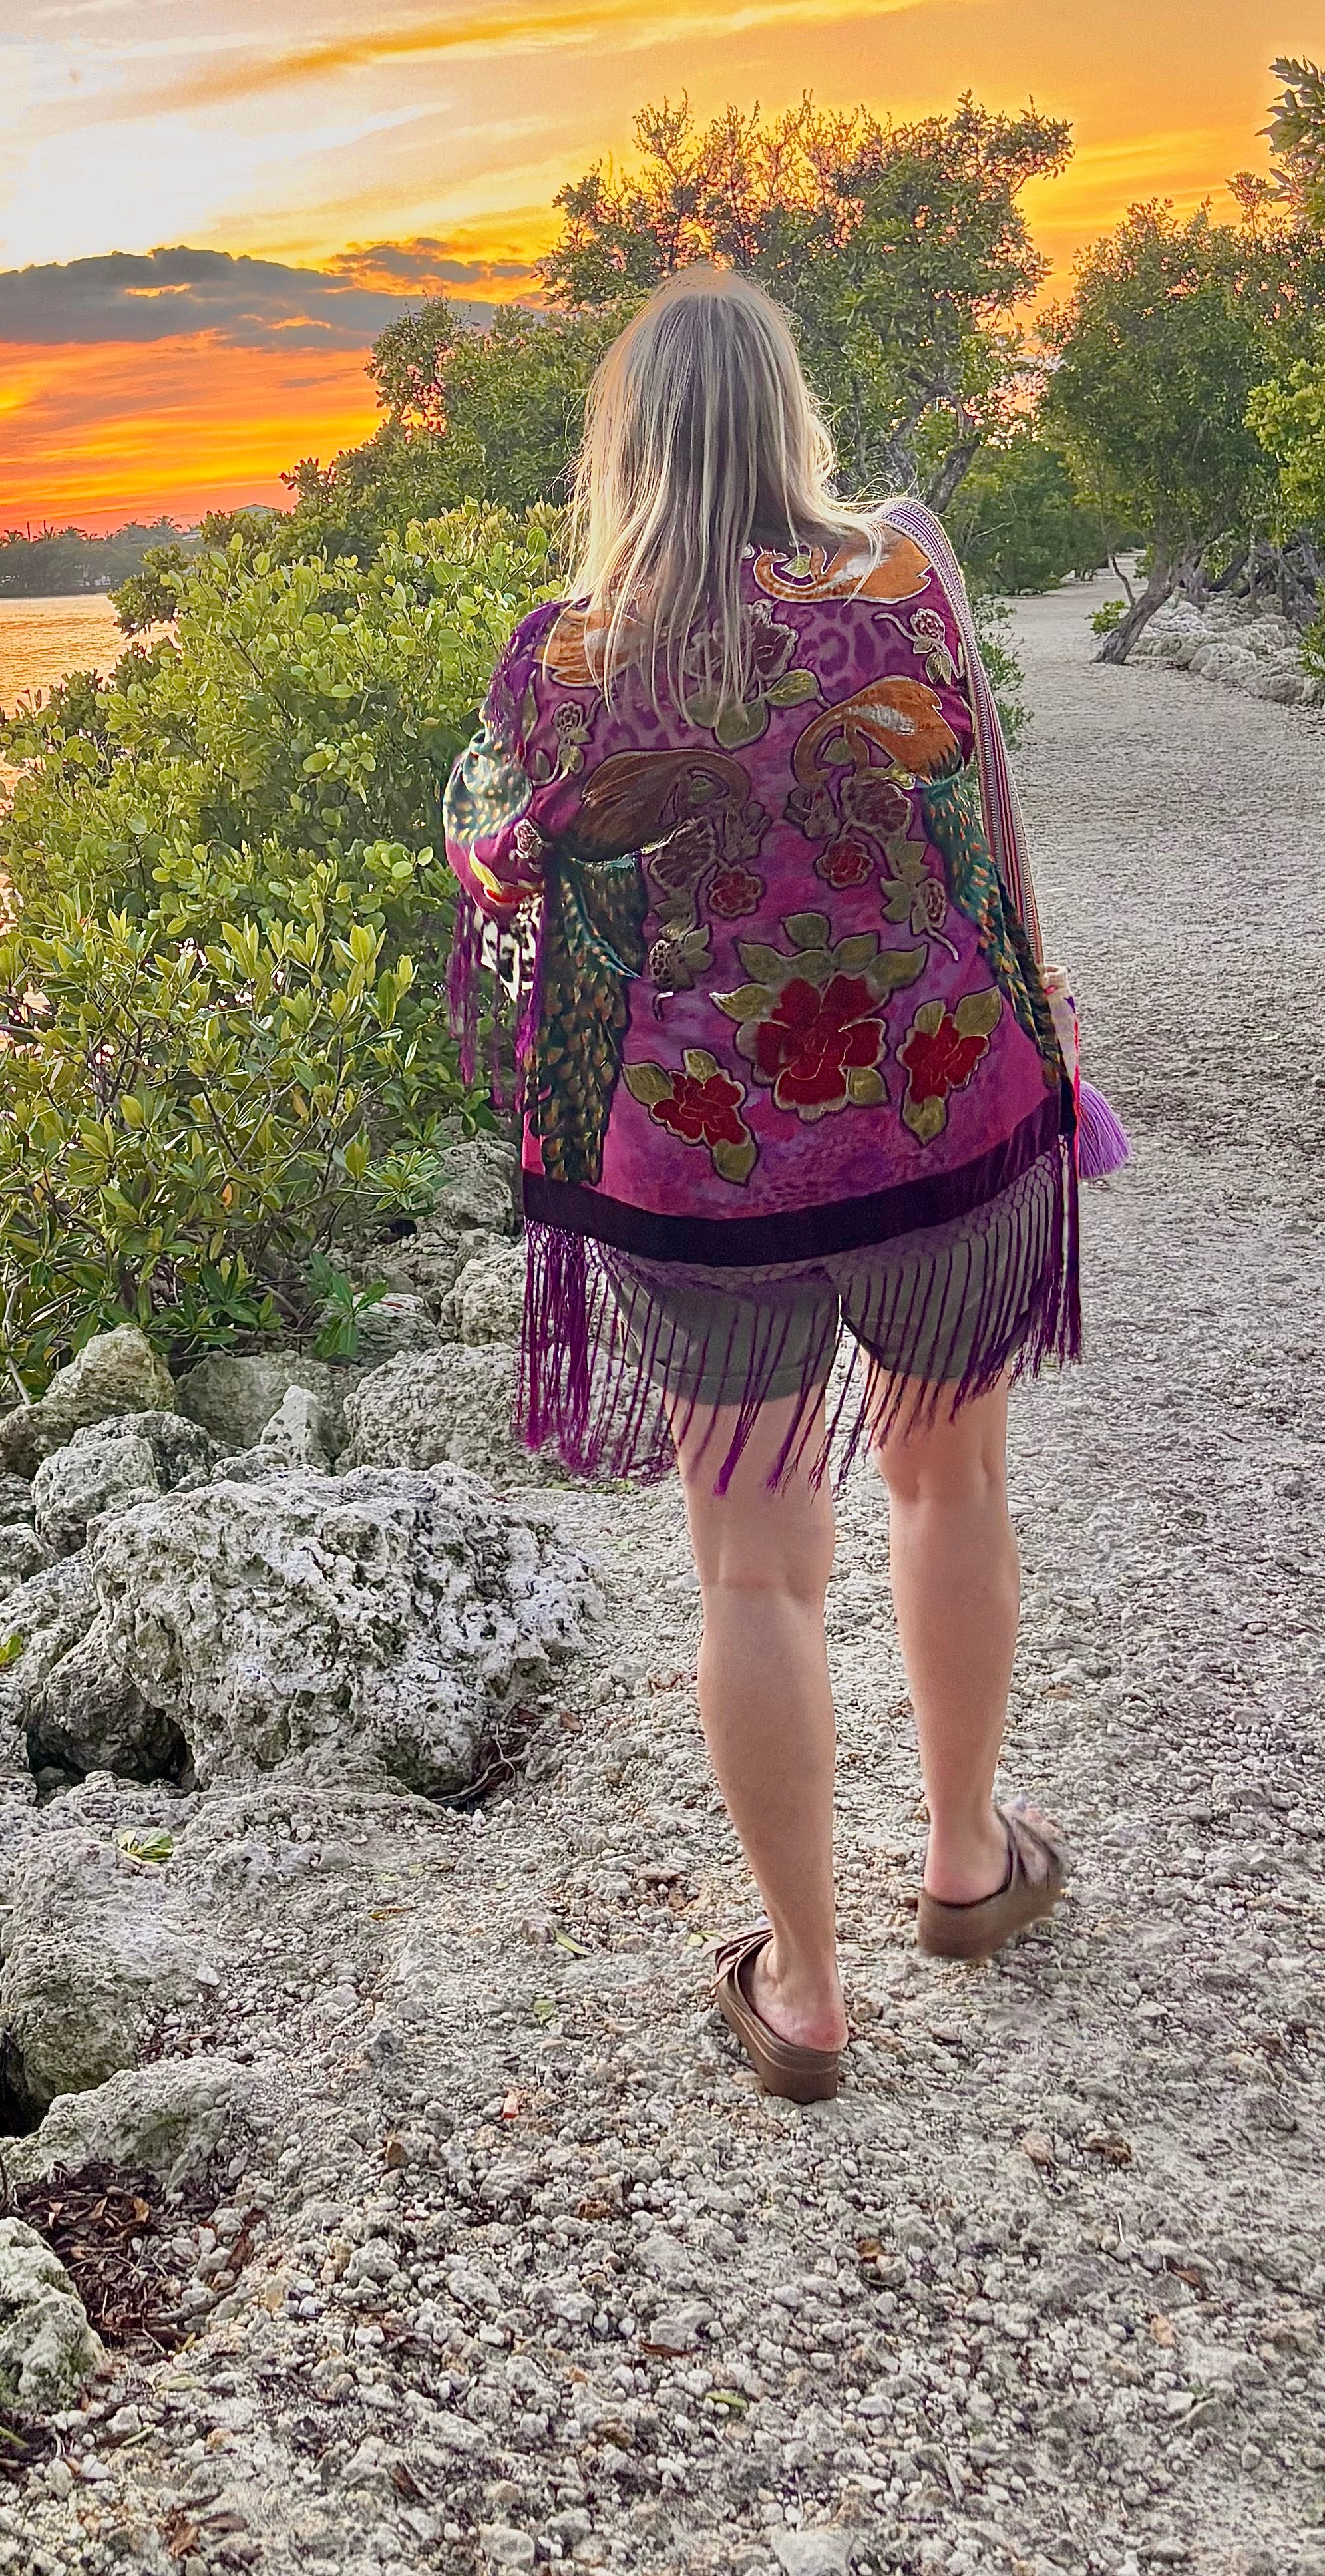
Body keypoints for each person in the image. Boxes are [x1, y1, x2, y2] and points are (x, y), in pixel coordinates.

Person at [442, 268, 1087, 2102]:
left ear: (628, 443)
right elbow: (980, 822)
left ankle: (803, 1989)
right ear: (787, 413)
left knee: (747, 1566)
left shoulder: (560, 655)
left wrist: (472, 844)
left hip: (694, 1172)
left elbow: (516, 867)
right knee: (946, 1476)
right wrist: (1052, 1023)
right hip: (936, 1119)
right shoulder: (902, 578)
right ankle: (963, 1865)